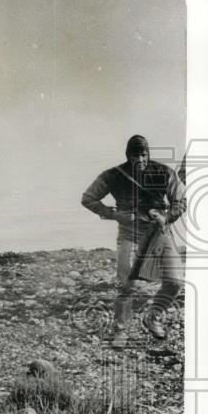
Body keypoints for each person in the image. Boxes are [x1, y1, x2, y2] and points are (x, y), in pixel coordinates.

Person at [81, 134, 185, 347]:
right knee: (127, 285)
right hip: (129, 234)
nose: (140, 159)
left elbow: (181, 200)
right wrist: (113, 214)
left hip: (159, 232)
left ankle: (153, 317)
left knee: (174, 282)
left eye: (144, 154)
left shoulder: (164, 172)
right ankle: (120, 330)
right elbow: (88, 198)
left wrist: (166, 216)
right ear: (128, 156)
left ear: (149, 154)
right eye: (136, 155)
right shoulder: (113, 175)